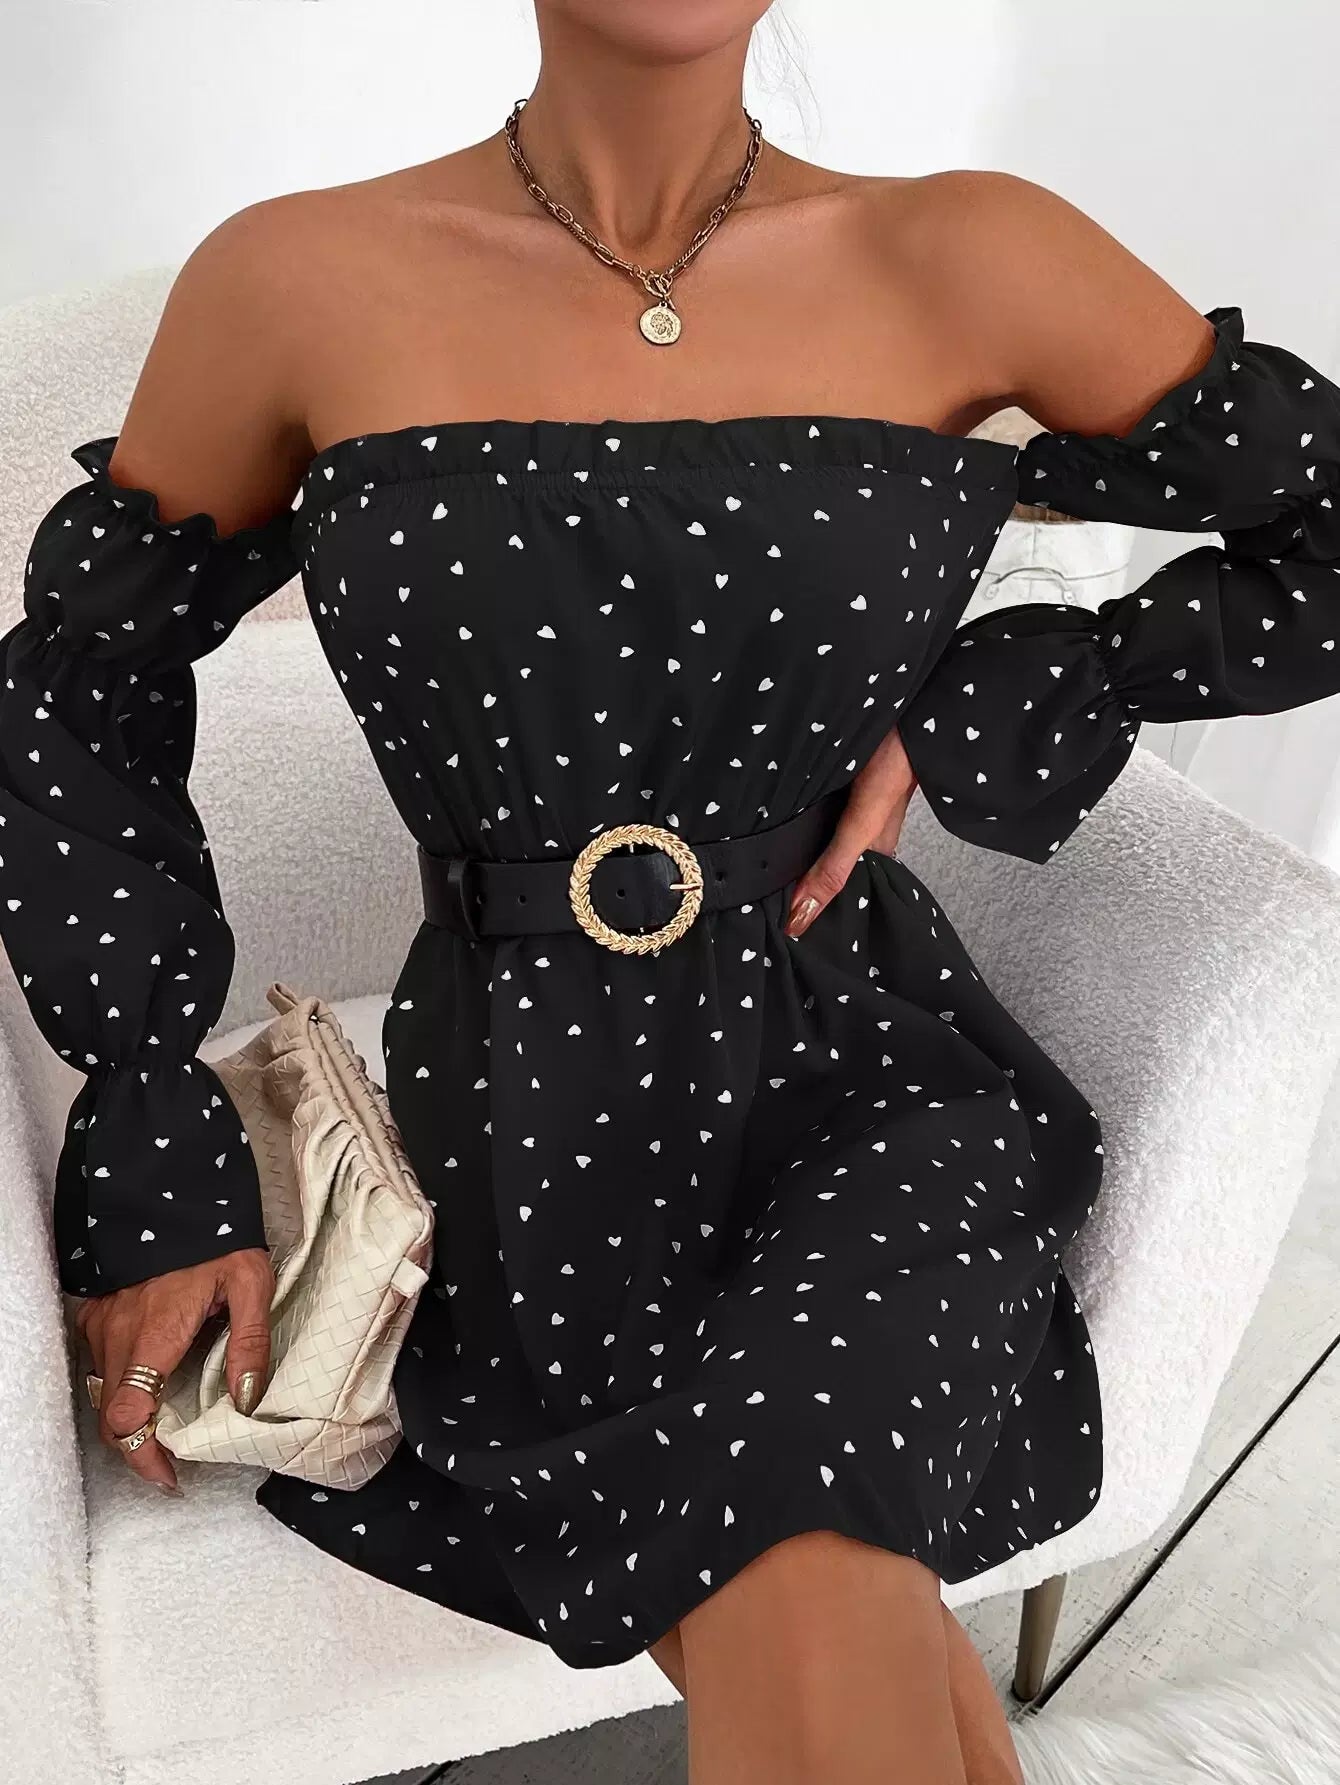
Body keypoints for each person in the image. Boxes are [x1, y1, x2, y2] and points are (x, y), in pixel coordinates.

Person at [6, 5, 1338, 1782]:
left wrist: (1004, 697)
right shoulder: (293, 280)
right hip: (525, 1119)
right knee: (833, 1594)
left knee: (807, 1527)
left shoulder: (971, 249)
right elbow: (80, 689)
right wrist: (152, 1131)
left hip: (864, 1073)